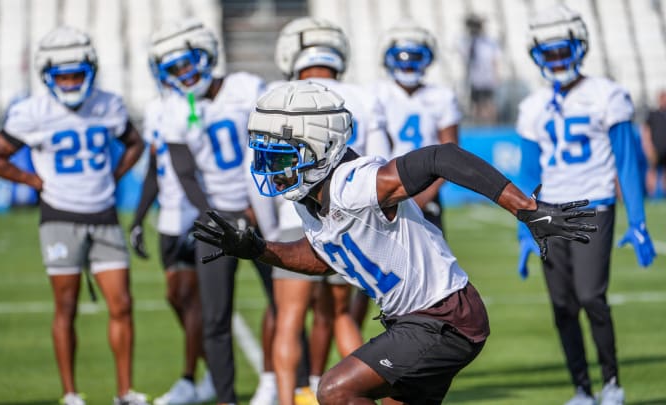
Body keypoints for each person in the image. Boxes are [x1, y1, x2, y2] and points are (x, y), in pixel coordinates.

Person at [193, 80, 597, 404]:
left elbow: (443, 156)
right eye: (265, 157)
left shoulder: (356, 182)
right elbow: (322, 256)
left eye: (280, 157)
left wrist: (525, 208)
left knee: (335, 390)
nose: (270, 169)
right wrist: (258, 250)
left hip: (442, 318)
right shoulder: (309, 198)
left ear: (320, 149)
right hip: (419, 321)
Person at [0, 27, 147, 405]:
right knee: (65, 307)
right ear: (47, 75)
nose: (70, 82)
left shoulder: (109, 104)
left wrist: (114, 175)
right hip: (59, 217)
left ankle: (124, 392)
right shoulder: (32, 111)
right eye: (62, 75)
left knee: (122, 304)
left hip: (102, 214)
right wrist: (30, 179)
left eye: (76, 74)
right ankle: (70, 393)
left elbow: (135, 143)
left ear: (91, 70)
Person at [516, 5, 656, 405]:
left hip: (594, 204)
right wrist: (523, 230)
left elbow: (627, 163)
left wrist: (639, 221)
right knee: (562, 305)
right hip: (548, 211)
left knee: (591, 296)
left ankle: (612, 383)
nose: (558, 60)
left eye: (564, 50)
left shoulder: (607, 95)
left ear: (580, 47)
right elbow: (528, 175)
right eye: (550, 53)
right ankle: (582, 389)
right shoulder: (533, 107)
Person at [144, 18, 275, 405]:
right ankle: (226, 399)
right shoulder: (173, 111)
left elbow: (271, 144)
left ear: (206, 55)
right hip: (215, 215)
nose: (183, 75)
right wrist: (213, 216)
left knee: (283, 300)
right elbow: (185, 173)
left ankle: (284, 382)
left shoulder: (246, 88)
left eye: (187, 63)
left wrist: (260, 203)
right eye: (173, 69)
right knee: (216, 317)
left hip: (261, 208)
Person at [261, 16, 381, 404]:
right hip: (348, 220)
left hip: (292, 218)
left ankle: (286, 399)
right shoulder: (363, 96)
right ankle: (359, 397)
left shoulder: (276, 93)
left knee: (289, 320)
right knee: (343, 316)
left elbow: (262, 170)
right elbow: (379, 161)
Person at [128, 20, 225, 404]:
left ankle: (191, 378)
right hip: (168, 212)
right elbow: (155, 167)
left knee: (193, 296)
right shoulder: (156, 110)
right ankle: (209, 374)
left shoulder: (201, 104)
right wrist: (138, 217)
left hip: (195, 209)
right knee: (176, 296)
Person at [354, 20, 463, 330]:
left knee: (432, 277)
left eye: (415, 57)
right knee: (369, 279)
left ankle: (426, 338)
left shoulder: (440, 96)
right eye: (403, 56)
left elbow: (451, 152)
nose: (409, 63)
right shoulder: (375, 93)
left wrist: (420, 196)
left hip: (426, 194)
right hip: (383, 192)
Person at [459, 13, 500, 124]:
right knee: (476, 104)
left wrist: (495, 76)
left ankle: (491, 126)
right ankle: (479, 126)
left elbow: (494, 60)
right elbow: (465, 56)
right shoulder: (468, 41)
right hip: (474, 79)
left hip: (487, 78)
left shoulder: (489, 42)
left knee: (488, 103)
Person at [641, 90, 666, 196]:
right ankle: (652, 194)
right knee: (652, 171)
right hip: (655, 149)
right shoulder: (653, 114)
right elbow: (646, 131)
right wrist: (648, 146)